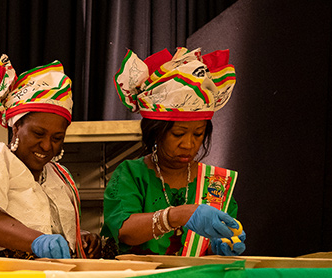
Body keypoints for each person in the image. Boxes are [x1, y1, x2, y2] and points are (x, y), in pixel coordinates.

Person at [0, 55, 96, 260]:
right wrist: (39, 242)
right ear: (16, 127)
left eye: (57, 138)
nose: (47, 145)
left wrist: (80, 239)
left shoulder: (59, 177)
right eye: (38, 134)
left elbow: (46, 226)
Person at [103, 47, 245, 256]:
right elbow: (125, 232)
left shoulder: (215, 182)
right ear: (156, 133)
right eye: (178, 134)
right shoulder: (131, 174)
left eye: (198, 134)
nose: (188, 144)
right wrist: (177, 216)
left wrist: (221, 245)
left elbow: (220, 238)